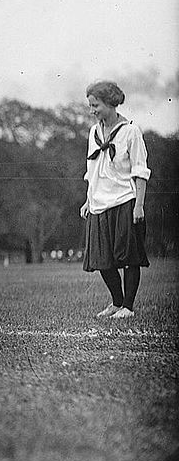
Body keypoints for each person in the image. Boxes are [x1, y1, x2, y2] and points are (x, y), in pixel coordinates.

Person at [80, 81, 151, 319]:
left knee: (129, 257)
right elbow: (92, 169)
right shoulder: (93, 132)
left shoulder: (131, 131)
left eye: (95, 105)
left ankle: (128, 307)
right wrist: (88, 200)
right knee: (102, 259)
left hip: (125, 200)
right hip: (99, 202)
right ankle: (116, 303)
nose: (92, 111)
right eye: (90, 106)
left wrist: (139, 205)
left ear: (110, 103)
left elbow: (140, 171)